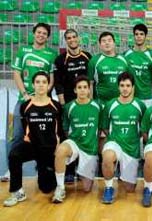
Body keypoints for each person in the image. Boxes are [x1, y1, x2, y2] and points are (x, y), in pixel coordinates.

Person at [1, 23, 57, 182]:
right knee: (17, 135)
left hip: (43, 103)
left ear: (48, 36)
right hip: (23, 101)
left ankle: (43, 169)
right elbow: (16, 74)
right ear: (33, 34)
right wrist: (26, 95)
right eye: (39, 32)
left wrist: (41, 96)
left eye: (44, 33)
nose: (41, 35)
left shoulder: (51, 54)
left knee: (43, 137)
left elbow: (51, 79)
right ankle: (11, 170)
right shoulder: (23, 51)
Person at [3, 72, 62, 207]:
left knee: (46, 188)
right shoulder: (25, 106)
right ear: (33, 85)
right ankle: (16, 192)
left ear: (48, 85)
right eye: (38, 82)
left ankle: (44, 171)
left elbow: (59, 131)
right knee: (14, 155)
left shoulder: (56, 106)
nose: (41, 85)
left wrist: (58, 148)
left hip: (48, 149)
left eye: (44, 82)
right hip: (32, 146)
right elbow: (25, 128)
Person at [51, 76, 101, 203]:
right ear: (75, 90)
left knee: (86, 188)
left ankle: (80, 168)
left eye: (85, 87)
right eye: (79, 88)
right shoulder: (69, 107)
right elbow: (66, 130)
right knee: (61, 150)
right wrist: (71, 146)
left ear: (89, 90)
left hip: (90, 148)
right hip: (75, 143)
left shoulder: (97, 107)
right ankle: (60, 188)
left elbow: (101, 129)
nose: (83, 90)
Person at [100, 72, 146, 204]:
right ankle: (108, 188)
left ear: (133, 87)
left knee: (130, 189)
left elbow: (144, 128)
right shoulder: (110, 105)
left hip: (132, 148)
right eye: (122, 85)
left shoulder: (140, 105)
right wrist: (114, 138)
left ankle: (122, 170)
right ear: (118, 87)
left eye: (128, 85)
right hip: (115, 143)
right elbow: (105, 127)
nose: (125, 88)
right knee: (108, 156)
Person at [54, 28, 92, 183]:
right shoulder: (60, 59)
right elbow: (58, 84)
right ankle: (69, 170)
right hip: (70, 104)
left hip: (86, 103)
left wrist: (92, 100)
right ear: (66, 41)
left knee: (87, 134)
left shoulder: (88, 57)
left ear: (78, 39)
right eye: (68, 38)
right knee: (68, 135)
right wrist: (63, 105)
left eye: (74, 37)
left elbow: (91, 82)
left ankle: (88, 167)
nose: (71, 40)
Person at [87, 31, 129, 102]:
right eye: (104, 41)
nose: (107, 43)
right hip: (101, 103)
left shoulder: (124, 60)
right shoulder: (94, 61)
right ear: (100, 45)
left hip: (121, 103)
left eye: (109, 40)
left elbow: (130, 82)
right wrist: (90, 102)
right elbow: (90, 84)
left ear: (114, 43)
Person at [124, 23, 152, 107]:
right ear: (134, 36)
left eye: (141, 34)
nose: (139, 36)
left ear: (146, 36)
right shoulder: (126, 55)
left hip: (148, 97)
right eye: (136, 34)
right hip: (131, 96)